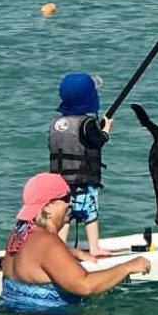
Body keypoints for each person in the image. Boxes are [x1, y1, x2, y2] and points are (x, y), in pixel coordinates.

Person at [0, 172, 150, 315]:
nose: (70, 203)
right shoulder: (47, 242)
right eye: (66, 198)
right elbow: (85, 286)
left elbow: (34, 260)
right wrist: (128, 266)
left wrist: (70, 253)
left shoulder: (19, 232)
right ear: (48, 207)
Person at [48, 73, 112, 254]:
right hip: (83, 180)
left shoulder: (56, 123)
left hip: (60, 183)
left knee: (64, 216)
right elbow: (98, 141)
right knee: (90, 213)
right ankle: (94, 248)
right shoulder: (87, 123)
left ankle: (59, 248)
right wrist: (106, 129)